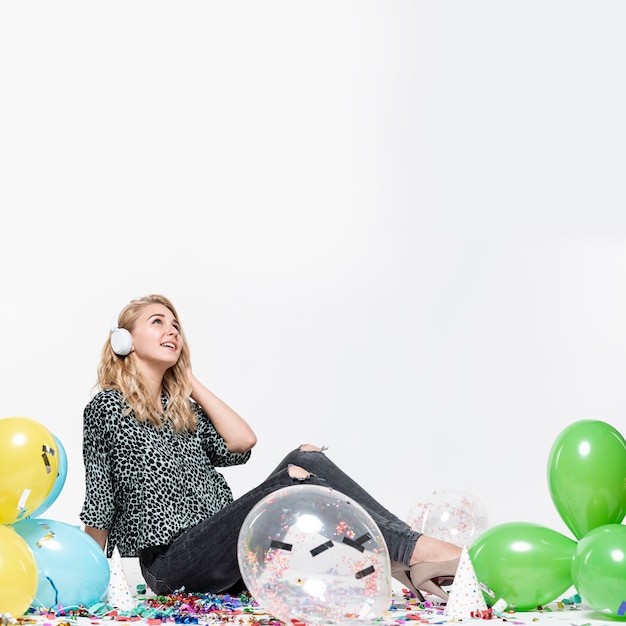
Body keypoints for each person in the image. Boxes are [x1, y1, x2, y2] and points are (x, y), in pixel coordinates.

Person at [80, 294, 461, 600]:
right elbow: (100, 500)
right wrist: (85, 578)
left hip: (220, 548)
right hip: (171, 565)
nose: (172, 331)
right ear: (124, 339)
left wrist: (188, 379)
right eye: (158, 322)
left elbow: (241, 441)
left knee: (306, 456)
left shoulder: (183, 411)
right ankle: (412, 553)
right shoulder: (107, 408)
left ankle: (405, 549)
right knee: (292, 482)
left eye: (176, 325)